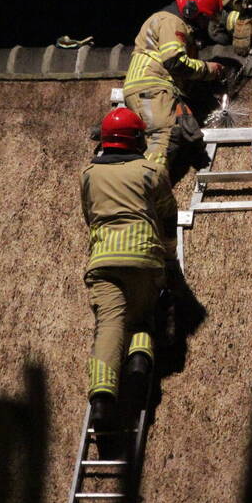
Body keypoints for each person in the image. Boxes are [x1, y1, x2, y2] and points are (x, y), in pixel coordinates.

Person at [80, 107, 180, 433]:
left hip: (104, 261)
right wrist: (168, 252)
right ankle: (139, 360)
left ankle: (102, 399)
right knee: (144, 315)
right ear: (137, 139)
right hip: (143, 259)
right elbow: (168, 214)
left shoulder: (89, 175)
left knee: (110, 325)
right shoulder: (150, 172)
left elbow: (89, 216)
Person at [122, 0, 225, 181]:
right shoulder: (172, 22)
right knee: (164, 136)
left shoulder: (165, 20)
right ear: (192, 10)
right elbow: (174, 61)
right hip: (154, 87)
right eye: (204, 18)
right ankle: (147, 193)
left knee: (150, 141)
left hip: (144, 87)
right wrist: (208, 69)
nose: (205, 25)